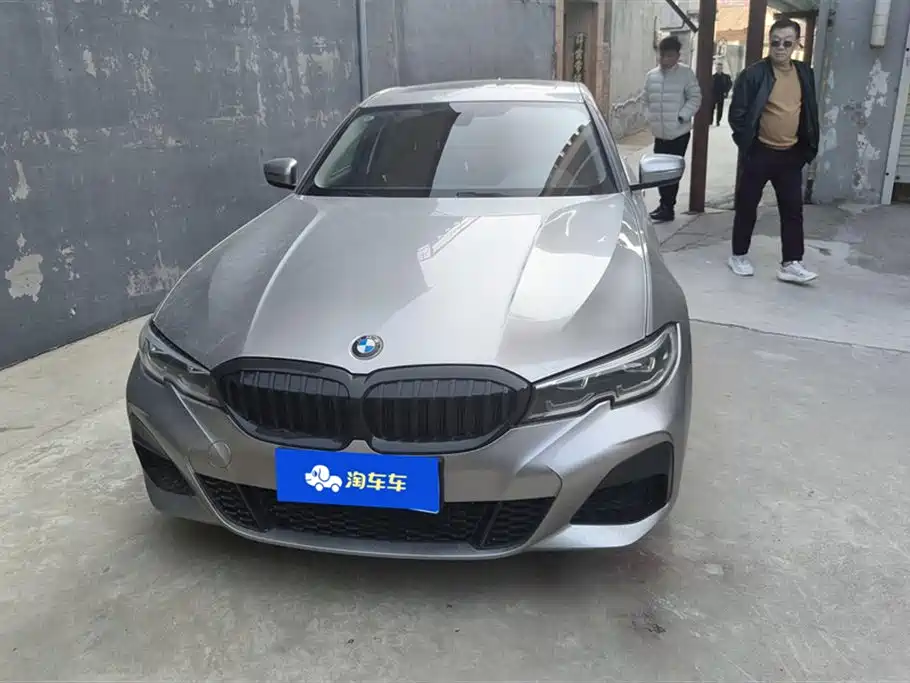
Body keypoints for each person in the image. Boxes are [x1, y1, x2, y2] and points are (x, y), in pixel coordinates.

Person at [727, 18, 820, 284]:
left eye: (787, 43)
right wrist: (748, 145)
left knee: (792, 211)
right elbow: (737, 115)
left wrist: (805, 149)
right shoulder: (754, 74)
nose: (780, 48)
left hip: (790, 154)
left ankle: (791, 263)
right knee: (747, 206)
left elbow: (809, 111)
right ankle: (738, 255)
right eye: (775, 42)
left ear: (796, 44)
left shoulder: (805, 73)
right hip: (760, 152)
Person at [644, 36, 702, 223]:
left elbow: (695, 98)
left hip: (678, 133)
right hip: (659, 133)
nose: (665, 59)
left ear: (677, 56)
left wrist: (683, 116)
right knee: (659, 171)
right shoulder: (651, 76)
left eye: (669, 55)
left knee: (672, 172)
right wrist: (649, 118)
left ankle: (668, 207)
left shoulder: (686, 74)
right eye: (662, 55)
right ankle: (664, 206)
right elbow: (645, 100)